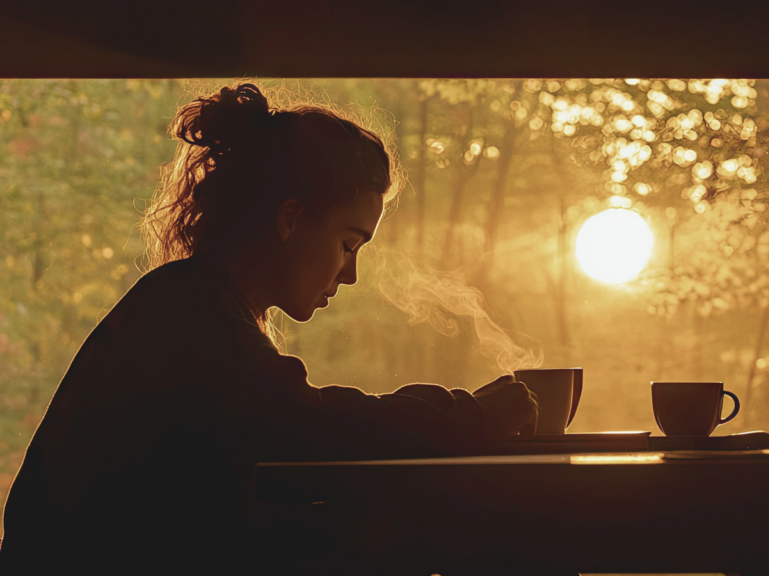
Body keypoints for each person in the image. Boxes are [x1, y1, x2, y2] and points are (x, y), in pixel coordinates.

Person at [0, 83, 539, 574]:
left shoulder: (196, 303)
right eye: (348, 244)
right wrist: (471, 416)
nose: (349, 274)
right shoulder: (188, 312)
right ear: (290, 219)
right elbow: (309, 425)